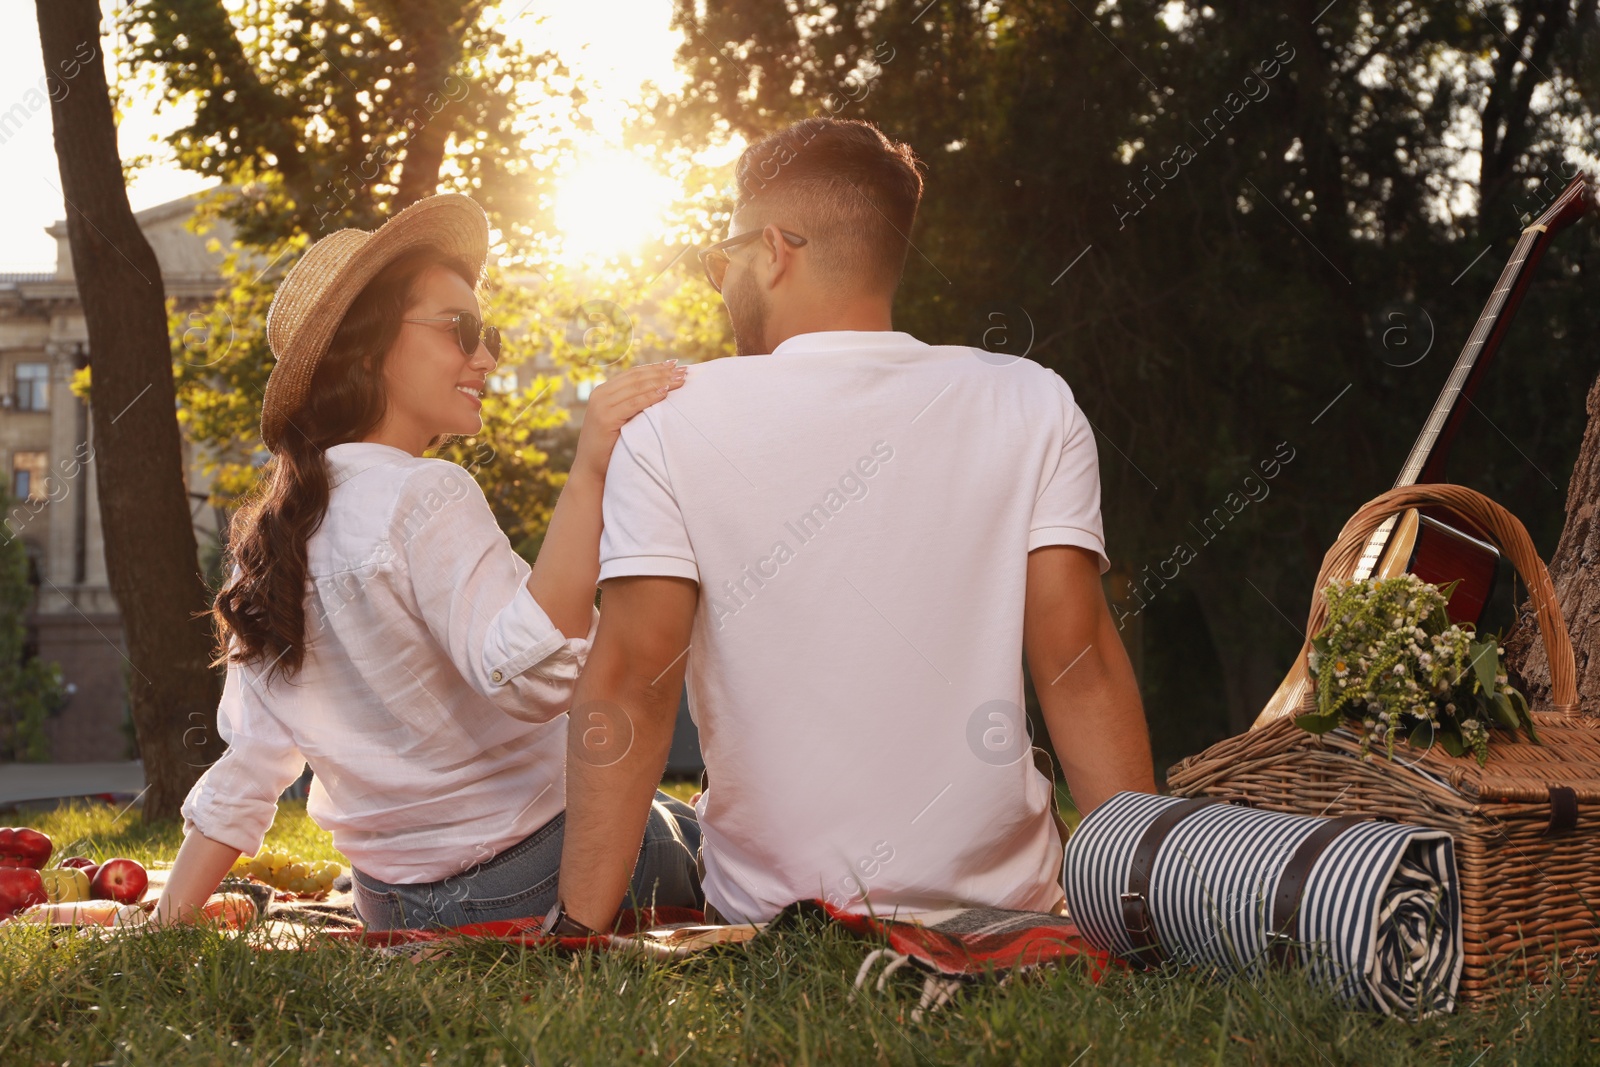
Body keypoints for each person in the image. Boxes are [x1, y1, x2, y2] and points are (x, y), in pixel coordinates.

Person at [545, 119, 1157, 935]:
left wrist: (579, 930)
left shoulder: (669, 420)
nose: (717, 281)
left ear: (772, 250)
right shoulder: (1032, 400)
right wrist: (1151, 908)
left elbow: (630, 677)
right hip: (1006, 908)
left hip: (776, 915)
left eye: (716, 259)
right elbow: (1076, 662)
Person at [152, 193, 700, 929]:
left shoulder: (270, 542)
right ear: (368, 346)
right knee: (700, 838)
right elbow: (534, 678)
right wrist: (591, 466)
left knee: (665, 812)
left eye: (489, 330)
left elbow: (252, 762)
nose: (487, 354)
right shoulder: (424, 493)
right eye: (460, 330)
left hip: (393, 903)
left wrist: (165, 921)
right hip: (532, 881)